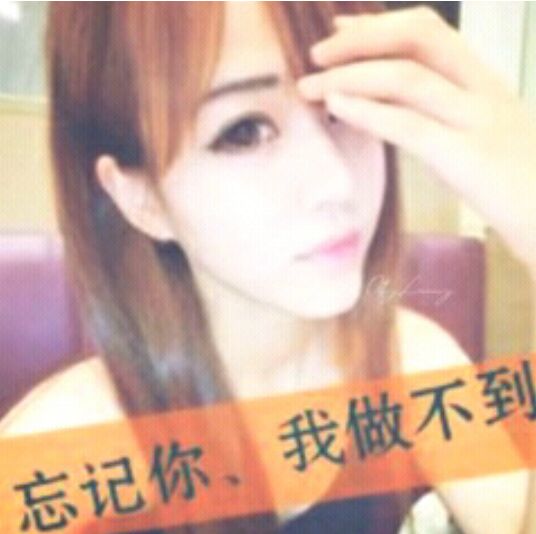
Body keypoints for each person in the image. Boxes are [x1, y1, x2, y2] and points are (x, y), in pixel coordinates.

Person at [1, 2, 535, 533]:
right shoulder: (59, 449)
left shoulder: (412, 365)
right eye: (244, 131)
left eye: (343, 109)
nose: (335, 183)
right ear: (142, 199)